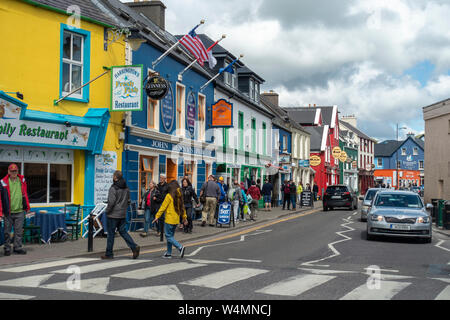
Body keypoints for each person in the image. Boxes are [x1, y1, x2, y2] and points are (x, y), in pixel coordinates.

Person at [102, 170, 140, 260]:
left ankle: (109, 254)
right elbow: (129, 201)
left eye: (113, 176)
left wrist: (107, 211)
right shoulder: (126, 188)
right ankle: (134, 247)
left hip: (113, 215)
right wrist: (123, 208)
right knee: (123, 232)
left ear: (115, 177)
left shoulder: (113, 188)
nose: (112, 177)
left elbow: (111, 202)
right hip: (122, 214)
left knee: (111, 234)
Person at [152, 180, 187, 258]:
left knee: (168, 236)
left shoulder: (169, 196)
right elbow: (182, 208)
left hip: (169, 220)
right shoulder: (179, 196)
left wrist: (157, 216)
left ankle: (180, 247)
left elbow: (163, 207)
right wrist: (184, 218)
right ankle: (168, 253)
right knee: (170, 236)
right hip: (176, 220)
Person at [1, 164, 30, 255]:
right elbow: (0, 199)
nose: (14, 173)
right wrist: (1, 211)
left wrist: (27, 207)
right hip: (8, 211)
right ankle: (7, 248)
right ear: (8, 172)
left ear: (17, 171)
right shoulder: (3, 182)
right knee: (7, 232)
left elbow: (25, 194)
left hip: (20, 211)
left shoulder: (21, 180)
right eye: (12, 171)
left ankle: (17, 247)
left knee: (18, 232)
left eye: (15, 171)